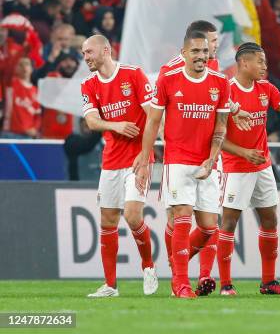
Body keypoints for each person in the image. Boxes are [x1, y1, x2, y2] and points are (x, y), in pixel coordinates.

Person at [134, 31, 230, 298]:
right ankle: (181, 283)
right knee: (182, 217)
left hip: (207, 162)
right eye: (195, 51)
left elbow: (220, 127)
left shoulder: (221, 83)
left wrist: (212, 158)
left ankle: (176, 263)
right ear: (184, 53)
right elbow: (153, 121)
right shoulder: (168, 79)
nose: (201, 56)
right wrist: (145, 157)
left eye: (205, 51)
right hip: (177, 161)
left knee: (210, 227)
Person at [157, 21, 248, 296]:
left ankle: (193, 272)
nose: (212, 49)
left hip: (208, 153)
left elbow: (214, 99)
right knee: (177, 216)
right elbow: (161, 105)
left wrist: (233, 109)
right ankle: (181, 277)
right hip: (178, 152)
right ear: (192, 44)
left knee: (209, 224)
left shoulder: (213, 67)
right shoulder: (171, 70)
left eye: (213, 45)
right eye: (210, 43)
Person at [80, 35, 158, 298]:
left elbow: (153, 117)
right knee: (107, 220)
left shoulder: (133, 74)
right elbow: (91, 121)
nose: (86, 57)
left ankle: (148, 266)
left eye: (89, 51)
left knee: (133, 216)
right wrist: (115, 125)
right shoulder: (88, 84)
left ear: (105, 50)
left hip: (138, 158)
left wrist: (146, 156)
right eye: (83, 53)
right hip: (111, 160)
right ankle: (110, 285)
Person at [217, 42, 280, 296]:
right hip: (236, 166)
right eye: (260, 61)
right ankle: (226, 284)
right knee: (229, 223)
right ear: (244, 63)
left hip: (262, 165)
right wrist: (244, 152)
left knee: (270, 218)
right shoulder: (226, 92)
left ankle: (269, 282)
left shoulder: (266, 88)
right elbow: (216, 138)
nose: (264, 66)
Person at [1, 57, 40, 138]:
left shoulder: (36, 91)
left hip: (27, 136)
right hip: (9, 132)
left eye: (27, 64)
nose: (24, 67)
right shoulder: (10, 84)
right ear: (15, 68)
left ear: (32, 69)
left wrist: (35, 129)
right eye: (20, 65)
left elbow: (38, 115)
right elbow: (8, 66)